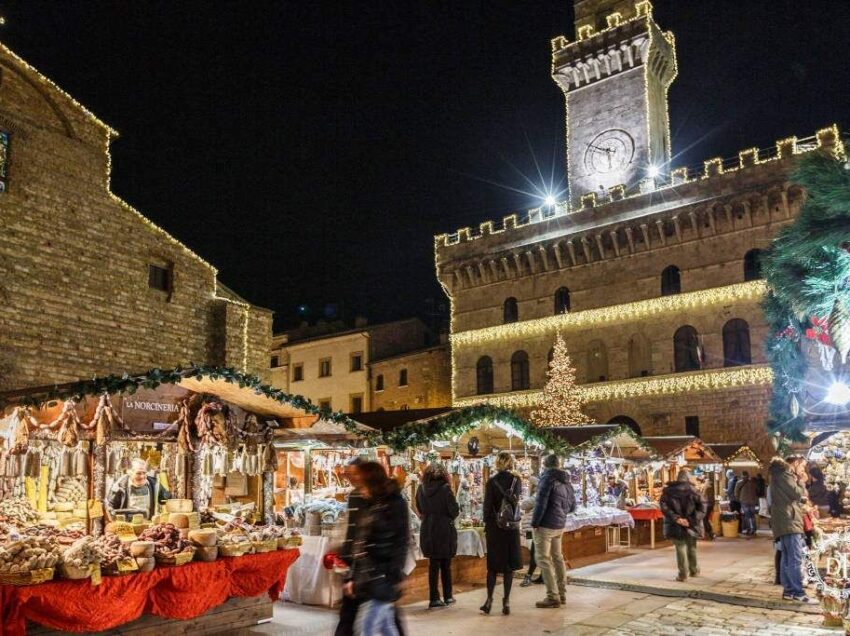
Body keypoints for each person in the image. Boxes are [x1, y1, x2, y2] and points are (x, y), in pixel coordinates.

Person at [345, 461, 409, 636]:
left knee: (367, 628)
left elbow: (401, 541)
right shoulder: (369, 504)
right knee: (386, 626)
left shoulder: (395, 503)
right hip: (368, 577)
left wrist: (396, 575)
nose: (360, 489)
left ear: (373, 483)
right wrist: (352, 576)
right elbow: (360, 542)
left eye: (363, 484)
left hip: (384, 575)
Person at [481, 451, 522, 616]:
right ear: (510, 463)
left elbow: (486, 507)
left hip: (495, 527)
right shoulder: (516, 480)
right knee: (508, 567)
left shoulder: (491, 482)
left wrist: (487, 522)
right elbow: (516, 501)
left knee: (492, 567)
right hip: (511, 527)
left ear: (498, 463)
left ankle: (489, 599)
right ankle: (506, 601)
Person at [769, 455, 814, 603]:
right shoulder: (785, 474)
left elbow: (790, 496)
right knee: (795, 558)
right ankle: (798, 591)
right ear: (795, 463)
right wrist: (801, 481)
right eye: (802, 466)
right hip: (789, 520)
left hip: (785, 520)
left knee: (787, 557)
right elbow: (797, 493)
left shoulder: (779, 474)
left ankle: (788, 591)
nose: (803, 470)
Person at [532, 454, 575, 609]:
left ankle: (552, 596)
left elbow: (540, 503)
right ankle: (562, 593)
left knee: (543, 559)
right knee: (558, 558)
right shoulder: (566, 481)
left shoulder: (547, 479)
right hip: (559, 525)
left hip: (546, 524)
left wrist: (535, 522)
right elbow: (573, 506)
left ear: (545, 465)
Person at [415, 463, 459, 608]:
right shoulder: (446, 489)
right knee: (446, 565)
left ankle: (434, 598)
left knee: (433, 565)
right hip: (444, 530)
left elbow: (419, 509)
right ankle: (448, 596)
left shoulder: (420, 489)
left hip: (428, 529)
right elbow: (454, 511)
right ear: (444, 475)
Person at [659, 469, 704, 582]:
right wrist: (691, 520)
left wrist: (677, 519)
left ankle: (683, 574)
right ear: (689, 478)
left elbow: (664, 508)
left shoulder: (668, 492)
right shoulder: (695, 491)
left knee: (680, 547)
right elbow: (702, 509)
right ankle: (694, 570)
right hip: (692, 524)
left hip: (675, 524)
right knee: (692, 547)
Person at [520, 476, 543, 587]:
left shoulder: (537, 495)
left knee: (533, 550)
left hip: (531, 528)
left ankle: (528, 576)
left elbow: (524, 505)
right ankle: (542, 576)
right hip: (533, 527)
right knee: (535, 550)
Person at [734, 471, 760, 536]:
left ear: (742, 475)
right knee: (752, 515)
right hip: (753, 501)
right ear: (748, 475)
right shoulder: (753, 483)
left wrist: (738, 499)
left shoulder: (739, 483)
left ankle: (749, 529)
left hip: (744, 501)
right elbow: (757, 491)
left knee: (747, 516)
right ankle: (754, 529)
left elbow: (736, 492)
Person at [700, 476, 716, 540]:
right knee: (705, 519)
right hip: (709, 505)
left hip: (707, 505)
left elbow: (703, 497)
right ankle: (709, 533)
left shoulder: (707, 488)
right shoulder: (710, 487)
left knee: (705, 519)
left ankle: (709, 534)